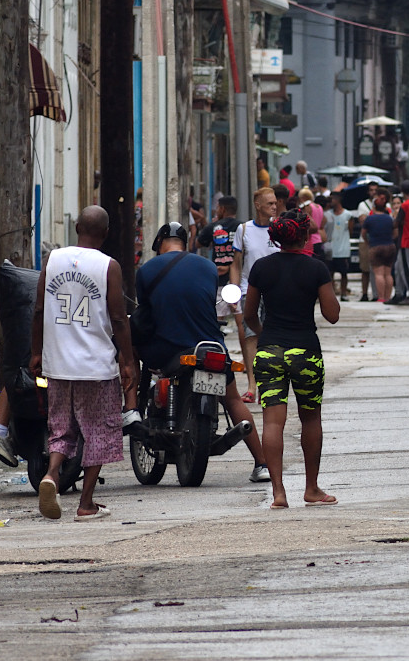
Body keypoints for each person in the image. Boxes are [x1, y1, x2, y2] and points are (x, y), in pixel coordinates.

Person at [137, 222, 269, 483]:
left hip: (168, 347)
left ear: (160, 243)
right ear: (185, 243)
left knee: (135, 346)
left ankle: (132, 408)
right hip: (210, 346)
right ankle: (261, 463)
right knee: (233, 400)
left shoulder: (146, 270)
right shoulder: (208, 267)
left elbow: (144, 316)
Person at [29, 206, 138, 521]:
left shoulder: (52, 261)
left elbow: (38, 310)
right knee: (99, 433)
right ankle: (86, 503)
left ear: (76, 227)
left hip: (58, 364)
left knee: (61, 428)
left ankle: (51, 475)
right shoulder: (108, 266)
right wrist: (127, 361)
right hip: (96, 367)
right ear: (105, 233)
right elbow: (118, 317)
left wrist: (36, 352)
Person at [243, 210, 340, 509]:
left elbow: (249, 315)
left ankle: (278, 493)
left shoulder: (261, 268)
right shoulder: (316, 269)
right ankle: (311, 489)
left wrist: (266, 334)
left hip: (269, 350)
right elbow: (332, 315)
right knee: (310, 417)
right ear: (304, 235)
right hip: (305, 351)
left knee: (273, 421)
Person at [230, 188, 280, 403]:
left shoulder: (279, 230)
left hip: (276, 291)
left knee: (273, 338)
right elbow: (235, 263)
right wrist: (233, 291)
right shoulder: (244, 229)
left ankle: (270, 384)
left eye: (275, 203)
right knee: (250, 337)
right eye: (269, 203)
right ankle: (252, 385)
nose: (274, 207)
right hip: (248, 290)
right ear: (257, 205)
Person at [194, 195, 243, 330]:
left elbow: (197, 244)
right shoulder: (242, 227)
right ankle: (246, 352)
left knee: (216, 323)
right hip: (237, 282)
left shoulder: (214, 227)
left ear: (222, 209)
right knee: (241, 323)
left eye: (217, 208)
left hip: (218, 280)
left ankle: (216, 349)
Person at [387, 180, 409, 306]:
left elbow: (396, 222)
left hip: (405, 239)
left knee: (406, 269)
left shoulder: (405, 205)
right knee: (398, 267)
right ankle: (399, 293)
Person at [362, 194, 397, 303]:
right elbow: (395, 233)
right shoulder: (389, 218)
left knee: (379, 274)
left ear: (374, 207)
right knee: (388, 273)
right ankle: (388, 297)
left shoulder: (369, 219)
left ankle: (381, 297)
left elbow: (363, 233)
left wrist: (368, 242)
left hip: (375, 246)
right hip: (390, 246)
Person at [324, 194, 354, 300]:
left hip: (343, 248)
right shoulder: (327, 214)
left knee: (344, 273)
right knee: (330, 273)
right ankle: (331, 294)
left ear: (338, 200)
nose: (330, 201)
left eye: (332, 199)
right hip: (331, 248)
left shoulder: (348, 215)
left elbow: (351, 230)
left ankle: (343, 293)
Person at [355, 182, 380, 302]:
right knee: (365, 269)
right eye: (371, 190)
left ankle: (379, 293)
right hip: (365, 241)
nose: (373, 192)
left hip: (379, 240)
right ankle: (364, 293)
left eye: (375, 190)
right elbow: (362, 221)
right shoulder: (362, 205)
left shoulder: (383, 204)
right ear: (368, 191)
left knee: (379, 269)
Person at [296, 187, 326, 259]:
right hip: (319, 239)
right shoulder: (319, 207)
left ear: (303, 197)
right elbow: (322, 223)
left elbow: (306, 223)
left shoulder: (307, 207)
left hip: (310, 241)